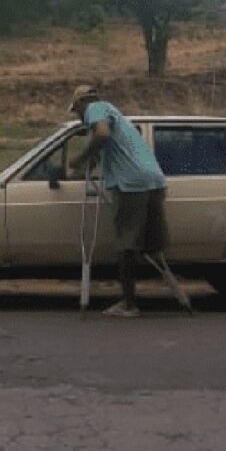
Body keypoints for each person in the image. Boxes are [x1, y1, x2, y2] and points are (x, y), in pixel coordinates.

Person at [67, 85, 168, 318]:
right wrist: (82, 165)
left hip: (130, 184)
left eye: (77, 112)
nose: (80, 117)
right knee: (149, 244)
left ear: (82, 103)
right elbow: (99, 149)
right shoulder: (115, 114)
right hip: (153, 179)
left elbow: (102, 134)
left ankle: (129, 304)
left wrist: (78, 159)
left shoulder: (96, 108)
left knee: (125, 244)